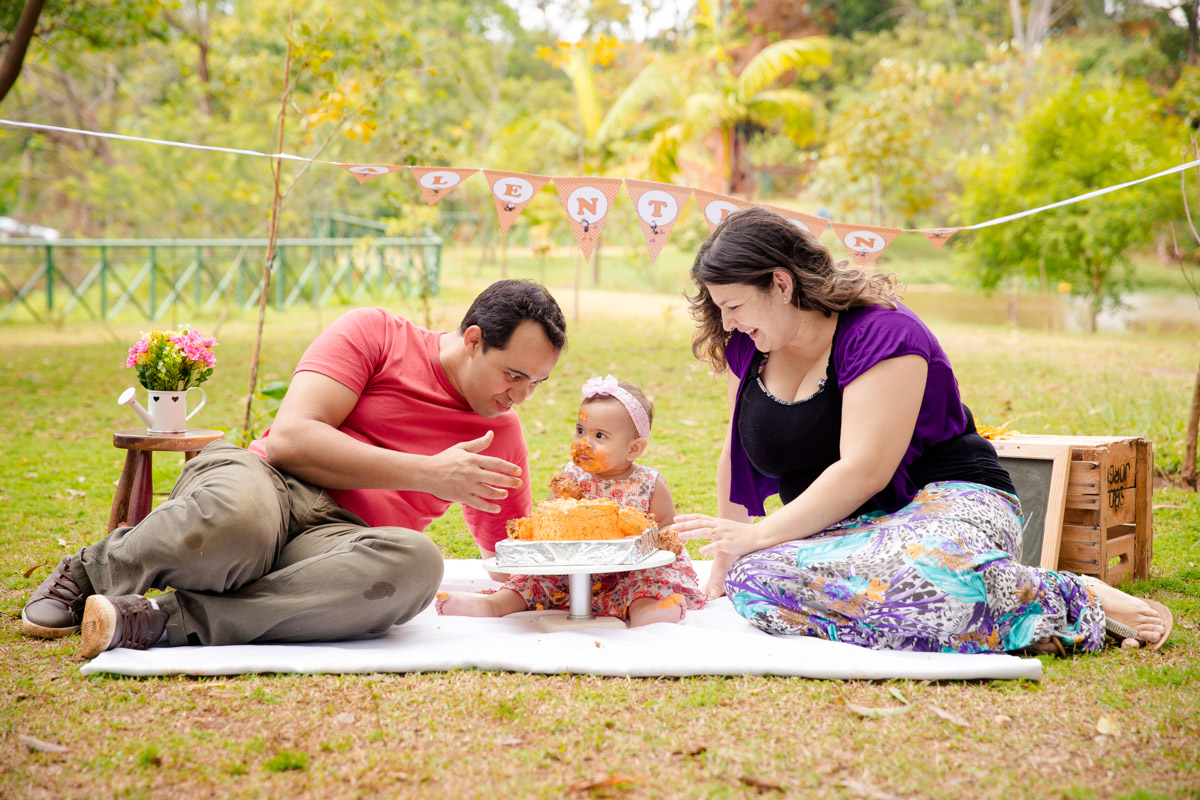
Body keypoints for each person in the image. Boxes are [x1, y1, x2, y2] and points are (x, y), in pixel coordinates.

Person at [666, 207, 1173, 655]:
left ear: (780, 283)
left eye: (734, 306)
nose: (728, 324)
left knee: (925, 574)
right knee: (753, 581)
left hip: (948, 501)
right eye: (720, 310)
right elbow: (734, 454)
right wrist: (727, 560)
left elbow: (865, 470)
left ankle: (1067, 595)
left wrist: (758, 534)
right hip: (853, 533)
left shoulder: (883, 333)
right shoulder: (747, 347)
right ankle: (980, 616)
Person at [21, 279, 567, 658]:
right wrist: (428, 472)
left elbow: (511, 555)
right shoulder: (377, 334)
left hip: (337, 542)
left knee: (416, 567)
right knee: (238, 531)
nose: (520, 396)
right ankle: (95, 569)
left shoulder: (502, 435)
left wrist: (603, 568)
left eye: (535, 384)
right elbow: (290, 439)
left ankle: (165, 620)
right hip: (268, 486)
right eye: (513, 374)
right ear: (473, 341)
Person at [437, 375, 706, 626]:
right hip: (570, 570)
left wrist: (665, 540)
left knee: (645, 584)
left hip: (628, 570)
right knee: (530, 582)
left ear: (633, 448)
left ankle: (645, 612)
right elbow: (548, 516)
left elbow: (667, 526)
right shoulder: (572, 477)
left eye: (599, 436)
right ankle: (491, 606)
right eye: (580, 430)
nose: (584, 443)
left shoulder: (648, 483)